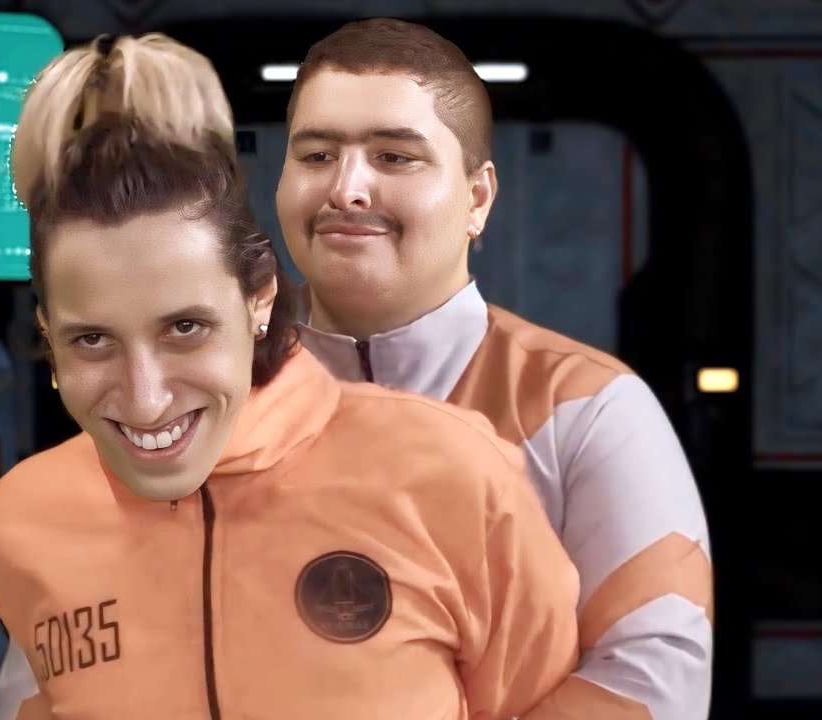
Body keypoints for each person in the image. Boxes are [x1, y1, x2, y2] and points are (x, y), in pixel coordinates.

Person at [0, 32, 581, 720]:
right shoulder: (20, 520)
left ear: (259, 298)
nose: (145, 400)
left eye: (185, 327)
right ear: (49, 337)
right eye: (92, 339)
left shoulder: (454, 475)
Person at [274, 18, 714, 719]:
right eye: (317, 154)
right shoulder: (217, 395)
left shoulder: (589, 408)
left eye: (395, 157)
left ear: (477, 198)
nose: (346, 188)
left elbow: (653, 679)